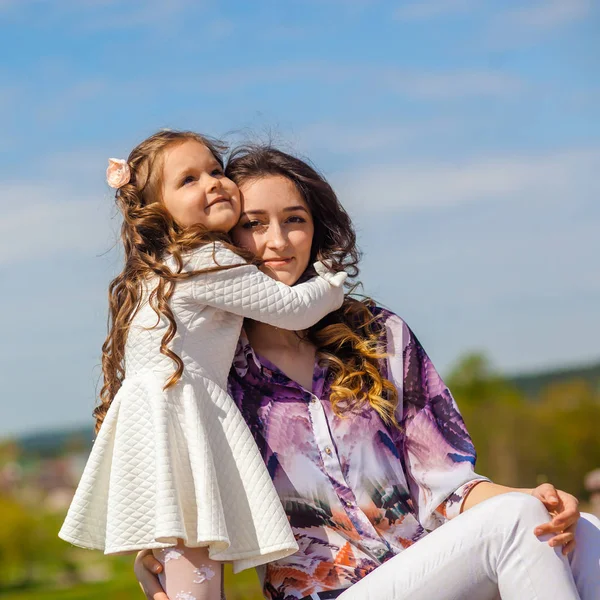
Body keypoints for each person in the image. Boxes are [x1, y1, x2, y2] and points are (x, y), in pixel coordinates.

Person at [135, 145, 600, 600]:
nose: (277, 241)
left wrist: (542, 499)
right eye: (252, 224)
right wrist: (161, 558)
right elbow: (186, 498)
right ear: (221, 237)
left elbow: (447, 487)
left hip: (431, 572)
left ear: (316, 231)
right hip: (325, 592)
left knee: (576, 527)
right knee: (519, 520)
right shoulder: (214, 370)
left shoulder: (377, 334)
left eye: (295, 220)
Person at [58, 131, 350, 600]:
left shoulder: (162, 267)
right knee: (195, 552)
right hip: (184, 414)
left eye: (215, 170)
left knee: (189, 563)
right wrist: (331, 285)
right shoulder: (209, 260)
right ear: (157, 207)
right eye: (189, 180)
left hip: (158, 415)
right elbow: (291, 308)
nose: (212, 183)